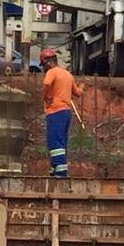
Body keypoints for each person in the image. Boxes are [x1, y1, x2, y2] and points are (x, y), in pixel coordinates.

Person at [40, 47, 82, 178]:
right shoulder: (68, 74)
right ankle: (55, 168)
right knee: (60, 142)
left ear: (48, 62)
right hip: (66, 112)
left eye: (43, 66)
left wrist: (46, 97)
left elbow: (46, 83)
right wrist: (82, 87)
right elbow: (78, 93)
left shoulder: (52, 72)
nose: (44, 69)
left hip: (55, 111)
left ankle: (61, 172)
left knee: (55, 142)